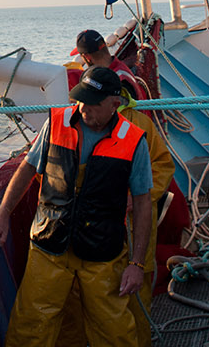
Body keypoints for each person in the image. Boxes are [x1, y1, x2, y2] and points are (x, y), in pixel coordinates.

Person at [0, 66, 152, 347]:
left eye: (93, 103)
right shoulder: (56, 123)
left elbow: (144, 203)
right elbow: (26, 170)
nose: (84, 108)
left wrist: (137, 263)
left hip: (102, 254)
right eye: (81, 99)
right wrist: (1, 216)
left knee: (114, 331)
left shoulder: (134, 141)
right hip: (48, 247)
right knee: (30, 327)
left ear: (115, 104)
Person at [67, 29, 175, 346]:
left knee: (136, 294)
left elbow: (163, 166)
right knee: (96, 300)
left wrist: (135, 197)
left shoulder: (139, 125)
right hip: (96, 231)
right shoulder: (79, 122)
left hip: (132, 226)